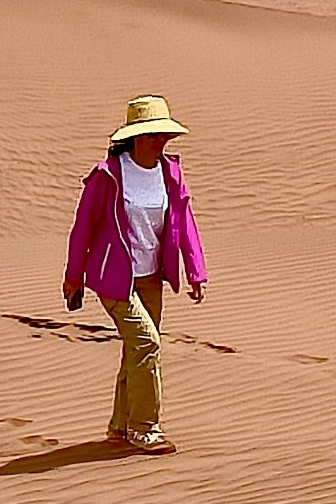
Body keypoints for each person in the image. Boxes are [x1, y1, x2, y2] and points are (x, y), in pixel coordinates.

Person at [61, 95, 209, 456]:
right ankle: (146, 429)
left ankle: (119, 427)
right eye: (155, 135)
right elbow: (83, 227)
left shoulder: (170, 173)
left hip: (151, 277)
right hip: (114, 279)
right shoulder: (108, 175)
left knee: (136, 351)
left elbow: (183, 221)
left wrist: (195, 270)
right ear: (136, 138)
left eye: (165, 136)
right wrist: (73, 277)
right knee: (147, 344)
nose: (162, 142)